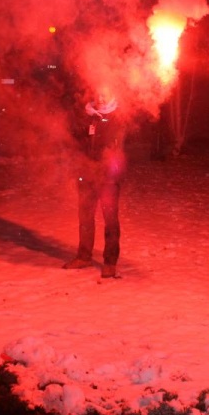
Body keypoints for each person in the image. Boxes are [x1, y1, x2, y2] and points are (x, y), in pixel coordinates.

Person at [63, 87, 126, 278]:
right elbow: (77, 144)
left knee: (110, 221)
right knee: (85, 218)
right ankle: (84, 256)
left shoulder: (118, 118)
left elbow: (119, 149)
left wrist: (111, 171)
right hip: (87, 175)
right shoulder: (87, 116)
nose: (101, 98)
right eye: (98, 93)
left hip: (108, 178)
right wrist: (78, 168)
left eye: (105, 93)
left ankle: (110, 262)